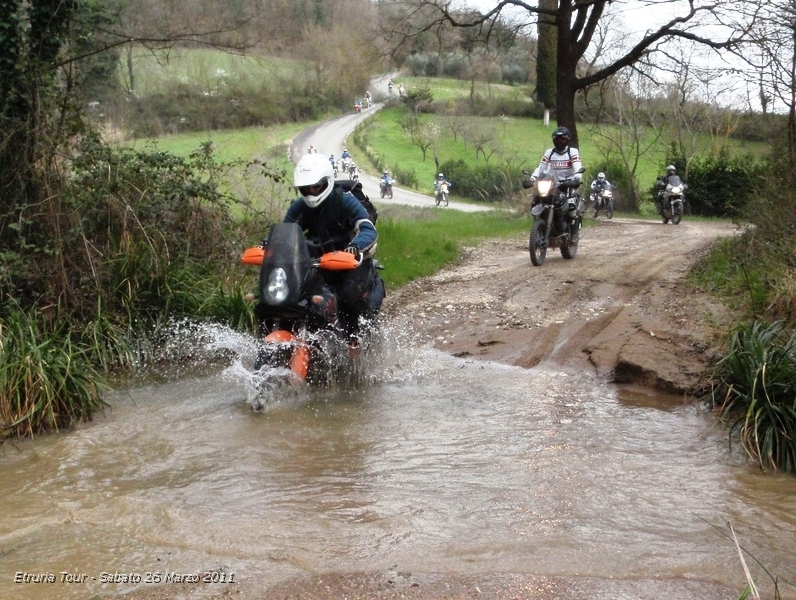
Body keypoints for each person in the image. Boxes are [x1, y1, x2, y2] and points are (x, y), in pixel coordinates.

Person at [284, 154, 385, 339]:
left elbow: (367, 229)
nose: (311, 191)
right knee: (293, 295)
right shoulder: (299, 206)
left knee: (350, 294)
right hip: (317, 262)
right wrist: (266, 244)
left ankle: (356, 339)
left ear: (327, 182)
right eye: (306, 188)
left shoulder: (344, 200)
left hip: (351, 261)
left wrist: (355, 247)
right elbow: (285, 231)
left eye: (316, 186)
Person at [529, 126, 583, 242]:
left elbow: (578, 167)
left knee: (570, 204)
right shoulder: (549, 152)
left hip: (567, 185)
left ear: (567, 140)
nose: (559, 142)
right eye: (557, 140)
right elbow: (541, 167)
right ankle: (540, 228)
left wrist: (576, 178)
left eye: (562, 140)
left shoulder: (572, 152)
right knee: (537, 199)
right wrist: (533, 178)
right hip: (552, 185)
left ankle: (573, 232)